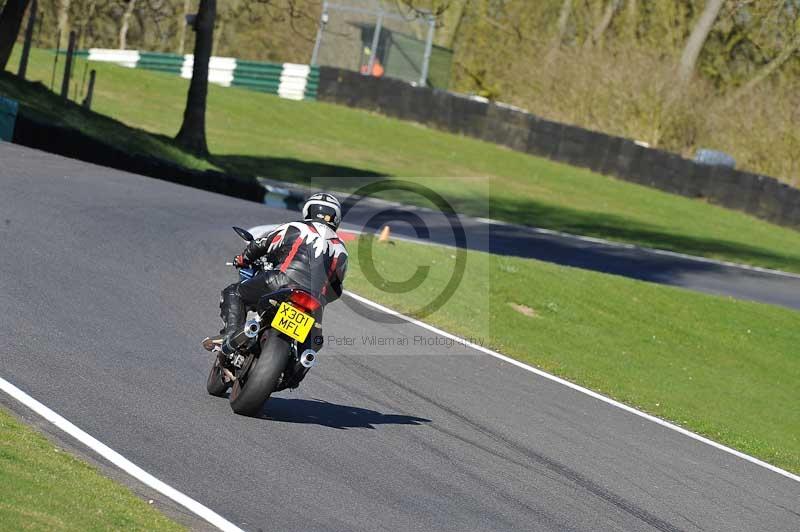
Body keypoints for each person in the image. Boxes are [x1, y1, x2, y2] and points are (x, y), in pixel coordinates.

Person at [218, 193, 348, 354]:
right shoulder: (341, 248)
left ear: (309, 211)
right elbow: (336, 289)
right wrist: (321, 300)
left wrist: (243, 259)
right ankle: (298, 367)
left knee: (234, 292)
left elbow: (261, 244)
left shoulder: (296, 227)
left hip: (281, 281)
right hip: (315, 300)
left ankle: (232, 336)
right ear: (336, 218)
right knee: (312, 347)